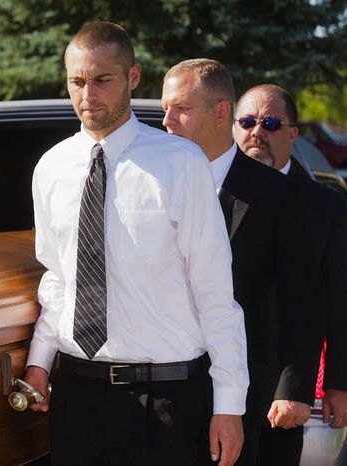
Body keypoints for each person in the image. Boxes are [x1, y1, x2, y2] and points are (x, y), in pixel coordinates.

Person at [23, 21, 248, 466]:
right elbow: (58, 278)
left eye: (102, 79)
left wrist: (229, 405)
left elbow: (216, 292)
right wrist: (39, 361)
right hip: (78, 397)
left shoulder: (180, 162)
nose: (88, 94)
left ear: (132, 77)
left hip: (166, 401)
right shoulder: (51, 168)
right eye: (77, 81)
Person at [162, 60, 325, 465]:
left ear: (220, 113)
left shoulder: (276, 193)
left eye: (180, 108)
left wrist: (294, 387)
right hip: (163, 391)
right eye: (165, 108)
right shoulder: (153, 184)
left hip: (248, 390)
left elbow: (302, 298)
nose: (166, 121)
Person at [234, 84, 347, 464]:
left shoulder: (325, 206)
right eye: (247, 122)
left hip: (286, 391)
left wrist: (338, 385)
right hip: (217, 384)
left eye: (270, 123)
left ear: (293, 134)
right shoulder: (208, 192)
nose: (257, 133)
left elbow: (339, 300)